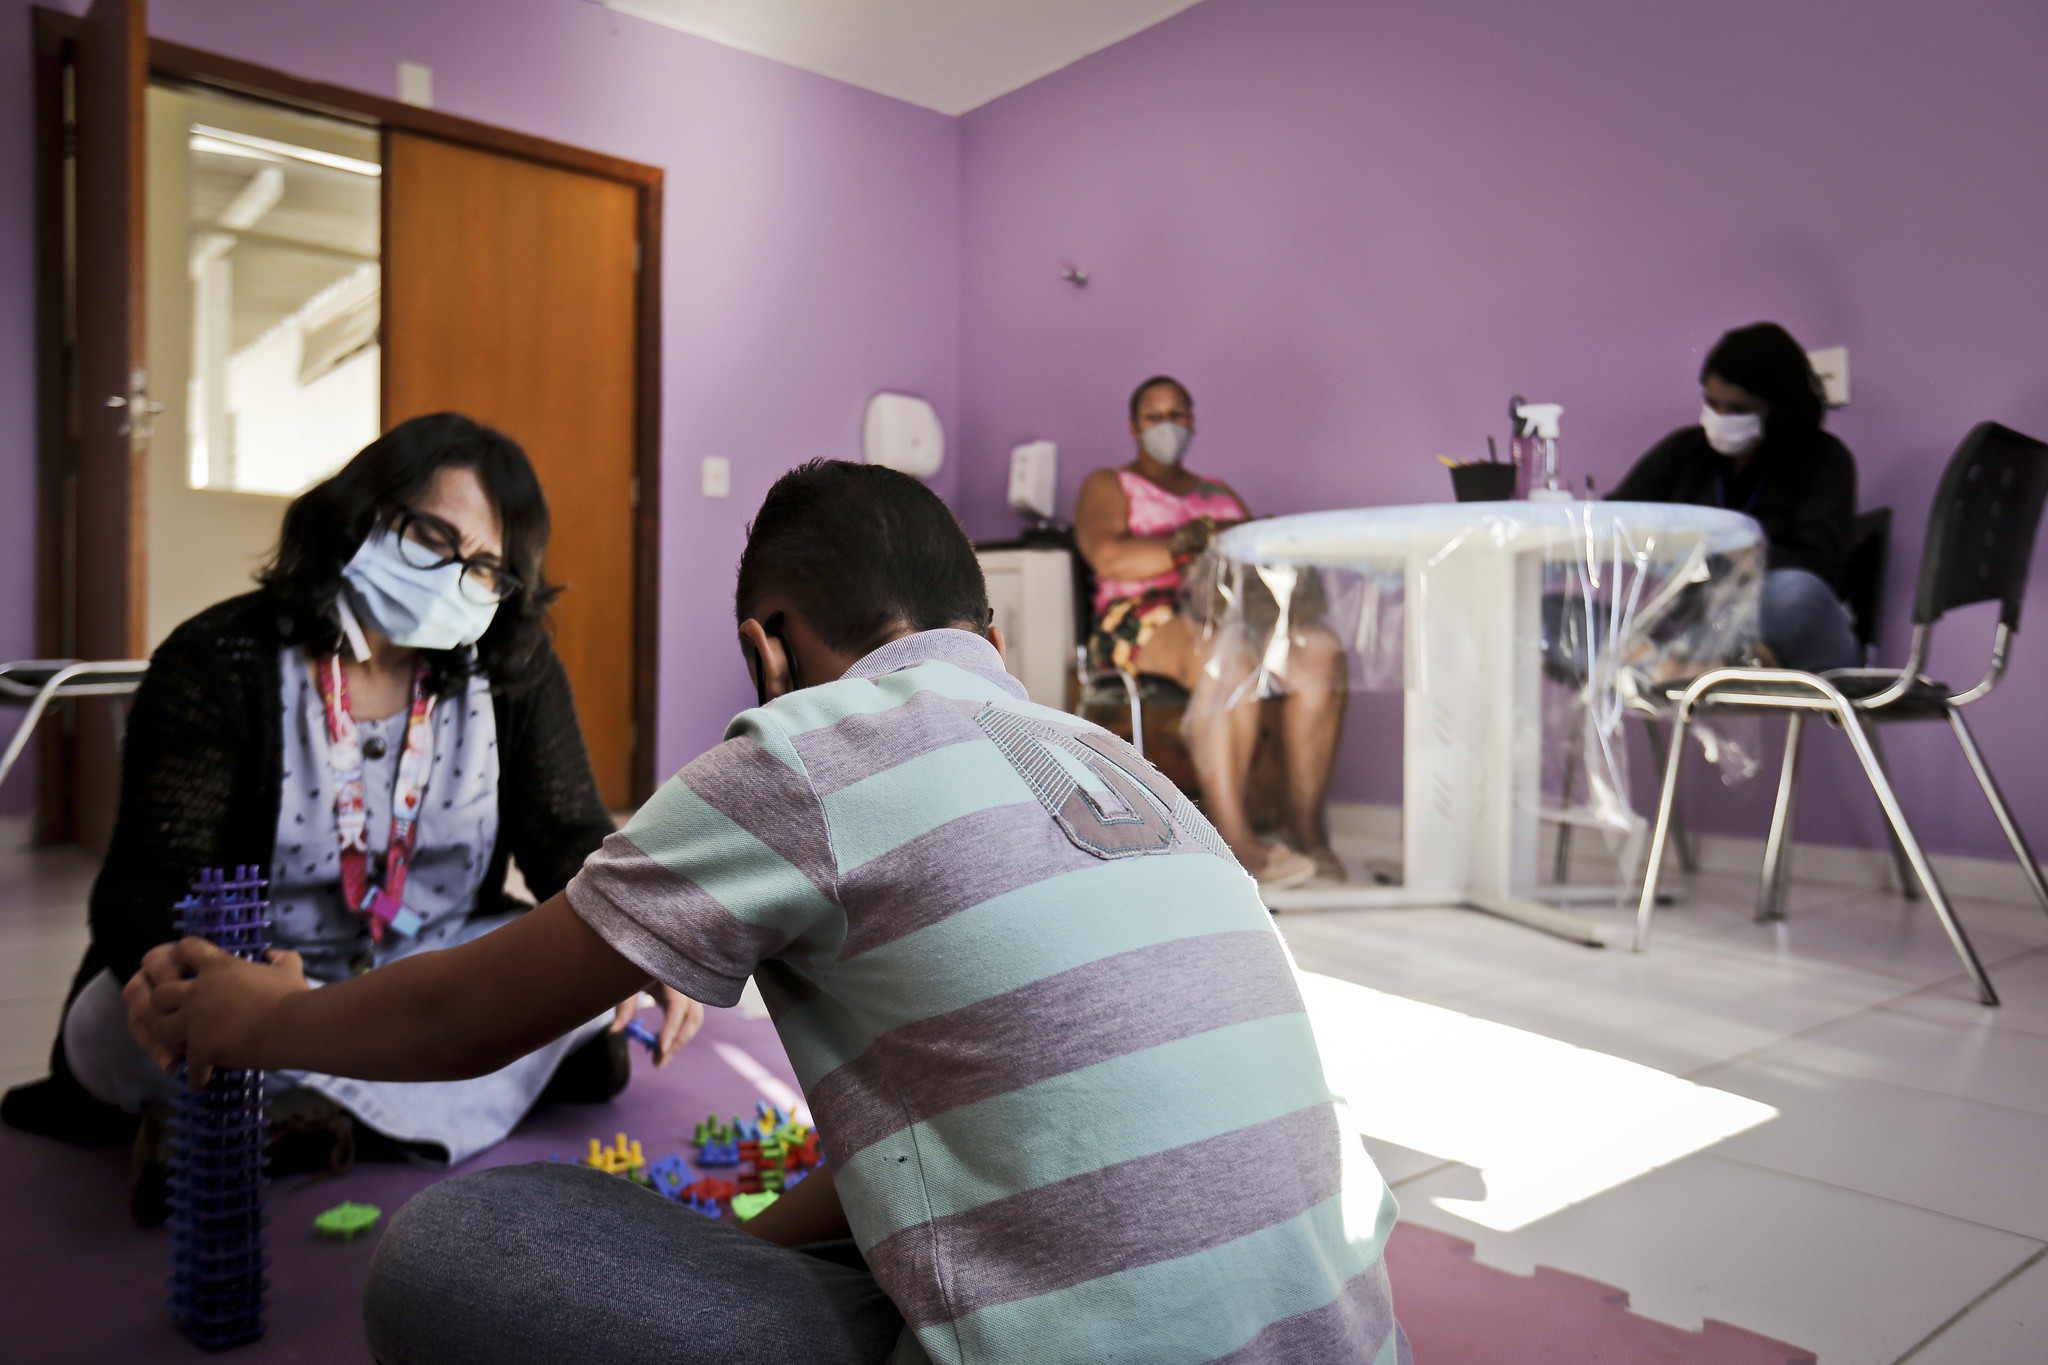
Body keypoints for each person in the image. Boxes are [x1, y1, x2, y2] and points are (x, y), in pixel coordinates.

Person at [125, 459, 1409, 1365]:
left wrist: (261, 1019)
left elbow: (463, 1014)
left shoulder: (803, 747)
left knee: (457, 1251)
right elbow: (996, 1139)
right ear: (988, 630)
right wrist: (736, 1246)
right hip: (1342, 1336)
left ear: (769, 646)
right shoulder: (1128, 763)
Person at [2, 413, 701, 1215]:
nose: (453, 575)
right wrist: (173, 973)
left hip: (430, 964)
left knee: (575, 993)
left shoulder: (516, 671)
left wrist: (641, 932)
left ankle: (282, 1117)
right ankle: (365, 1101)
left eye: (483, 569)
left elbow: (567, 837)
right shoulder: (217, 657)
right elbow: (143, 884)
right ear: (364, 510)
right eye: (433, 539)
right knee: (109, 1024)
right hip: (258, 981)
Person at [1074, 376, 1348, 890]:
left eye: (1177, 414)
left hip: (1232, 614)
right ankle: (1235, 841)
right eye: (1154, 416)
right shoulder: (1109, 484)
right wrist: (1194, 542)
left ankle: (1307, 830)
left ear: (1193, 422)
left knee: (1321, 655)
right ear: (1133, 426)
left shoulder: (1216, 492)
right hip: (1140, 617)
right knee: (1226, 655)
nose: (1166, 426)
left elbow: (1254, 562)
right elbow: (1109, 555)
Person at [1612, 323, 1862, 671]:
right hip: (1699, 622)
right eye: (1712, 404)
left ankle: (1690, 664)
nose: (1722, 419)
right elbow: (1615, 518)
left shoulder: (1824, 459)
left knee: (1795, 593)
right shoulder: (1685, 452)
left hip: (1793, 626)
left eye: (1740, 409)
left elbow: (1817, 567)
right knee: (1564, 612)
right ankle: (1691, 664)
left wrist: (1737, 551)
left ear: (1778, 408)